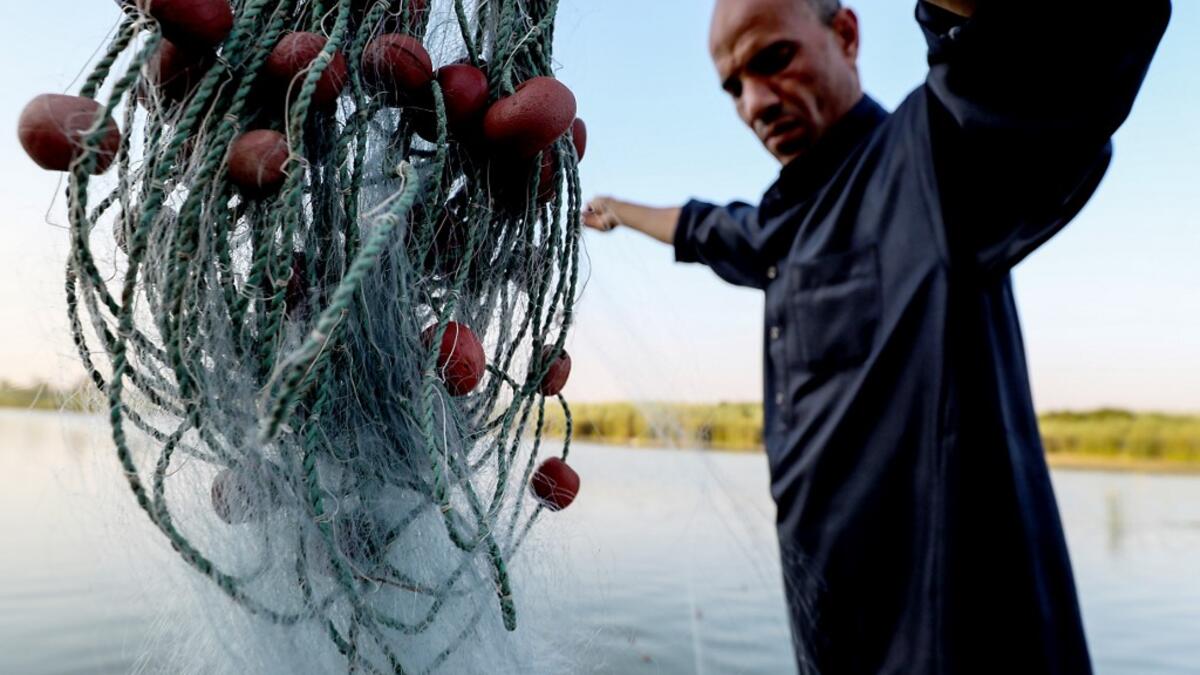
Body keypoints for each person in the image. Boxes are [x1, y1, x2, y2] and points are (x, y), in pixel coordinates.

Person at [582, 1, 1171, 673]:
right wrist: (617, 211)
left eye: (775, 59)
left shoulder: (938, 158)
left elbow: (1084, 32)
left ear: (846, 34)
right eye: (734, 87)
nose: (754, 103)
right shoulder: (782, 224)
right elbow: (708, 227)